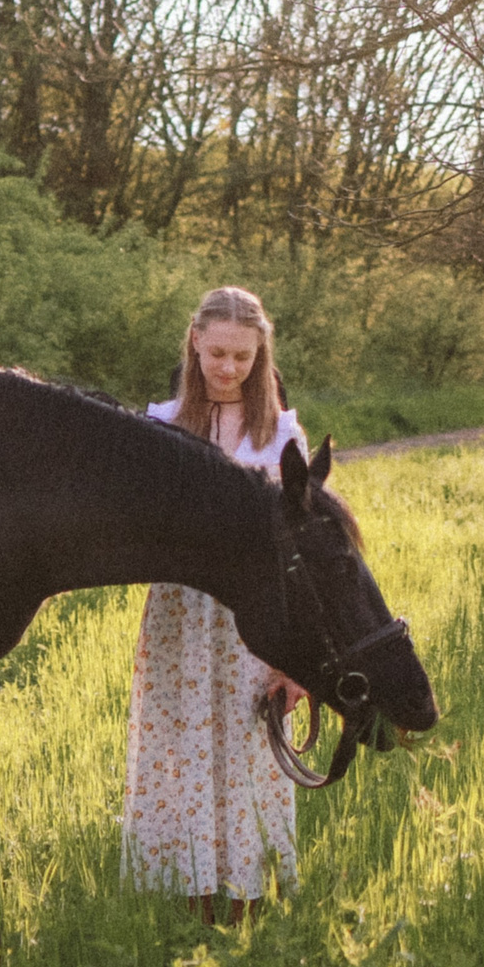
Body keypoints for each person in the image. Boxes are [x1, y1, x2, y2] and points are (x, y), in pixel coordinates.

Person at [122, 285, 309, 924]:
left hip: (255, 623)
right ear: (195, 342)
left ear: (261, 356)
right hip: (181, 618)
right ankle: (188, 887)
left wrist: (297, 664)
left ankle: (250, 893)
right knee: (182, 746)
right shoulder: (159, 425)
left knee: (250, 750)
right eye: (218, 353)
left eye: (243, 358)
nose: (229, 369)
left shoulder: (283, 434)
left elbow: (300, 556)